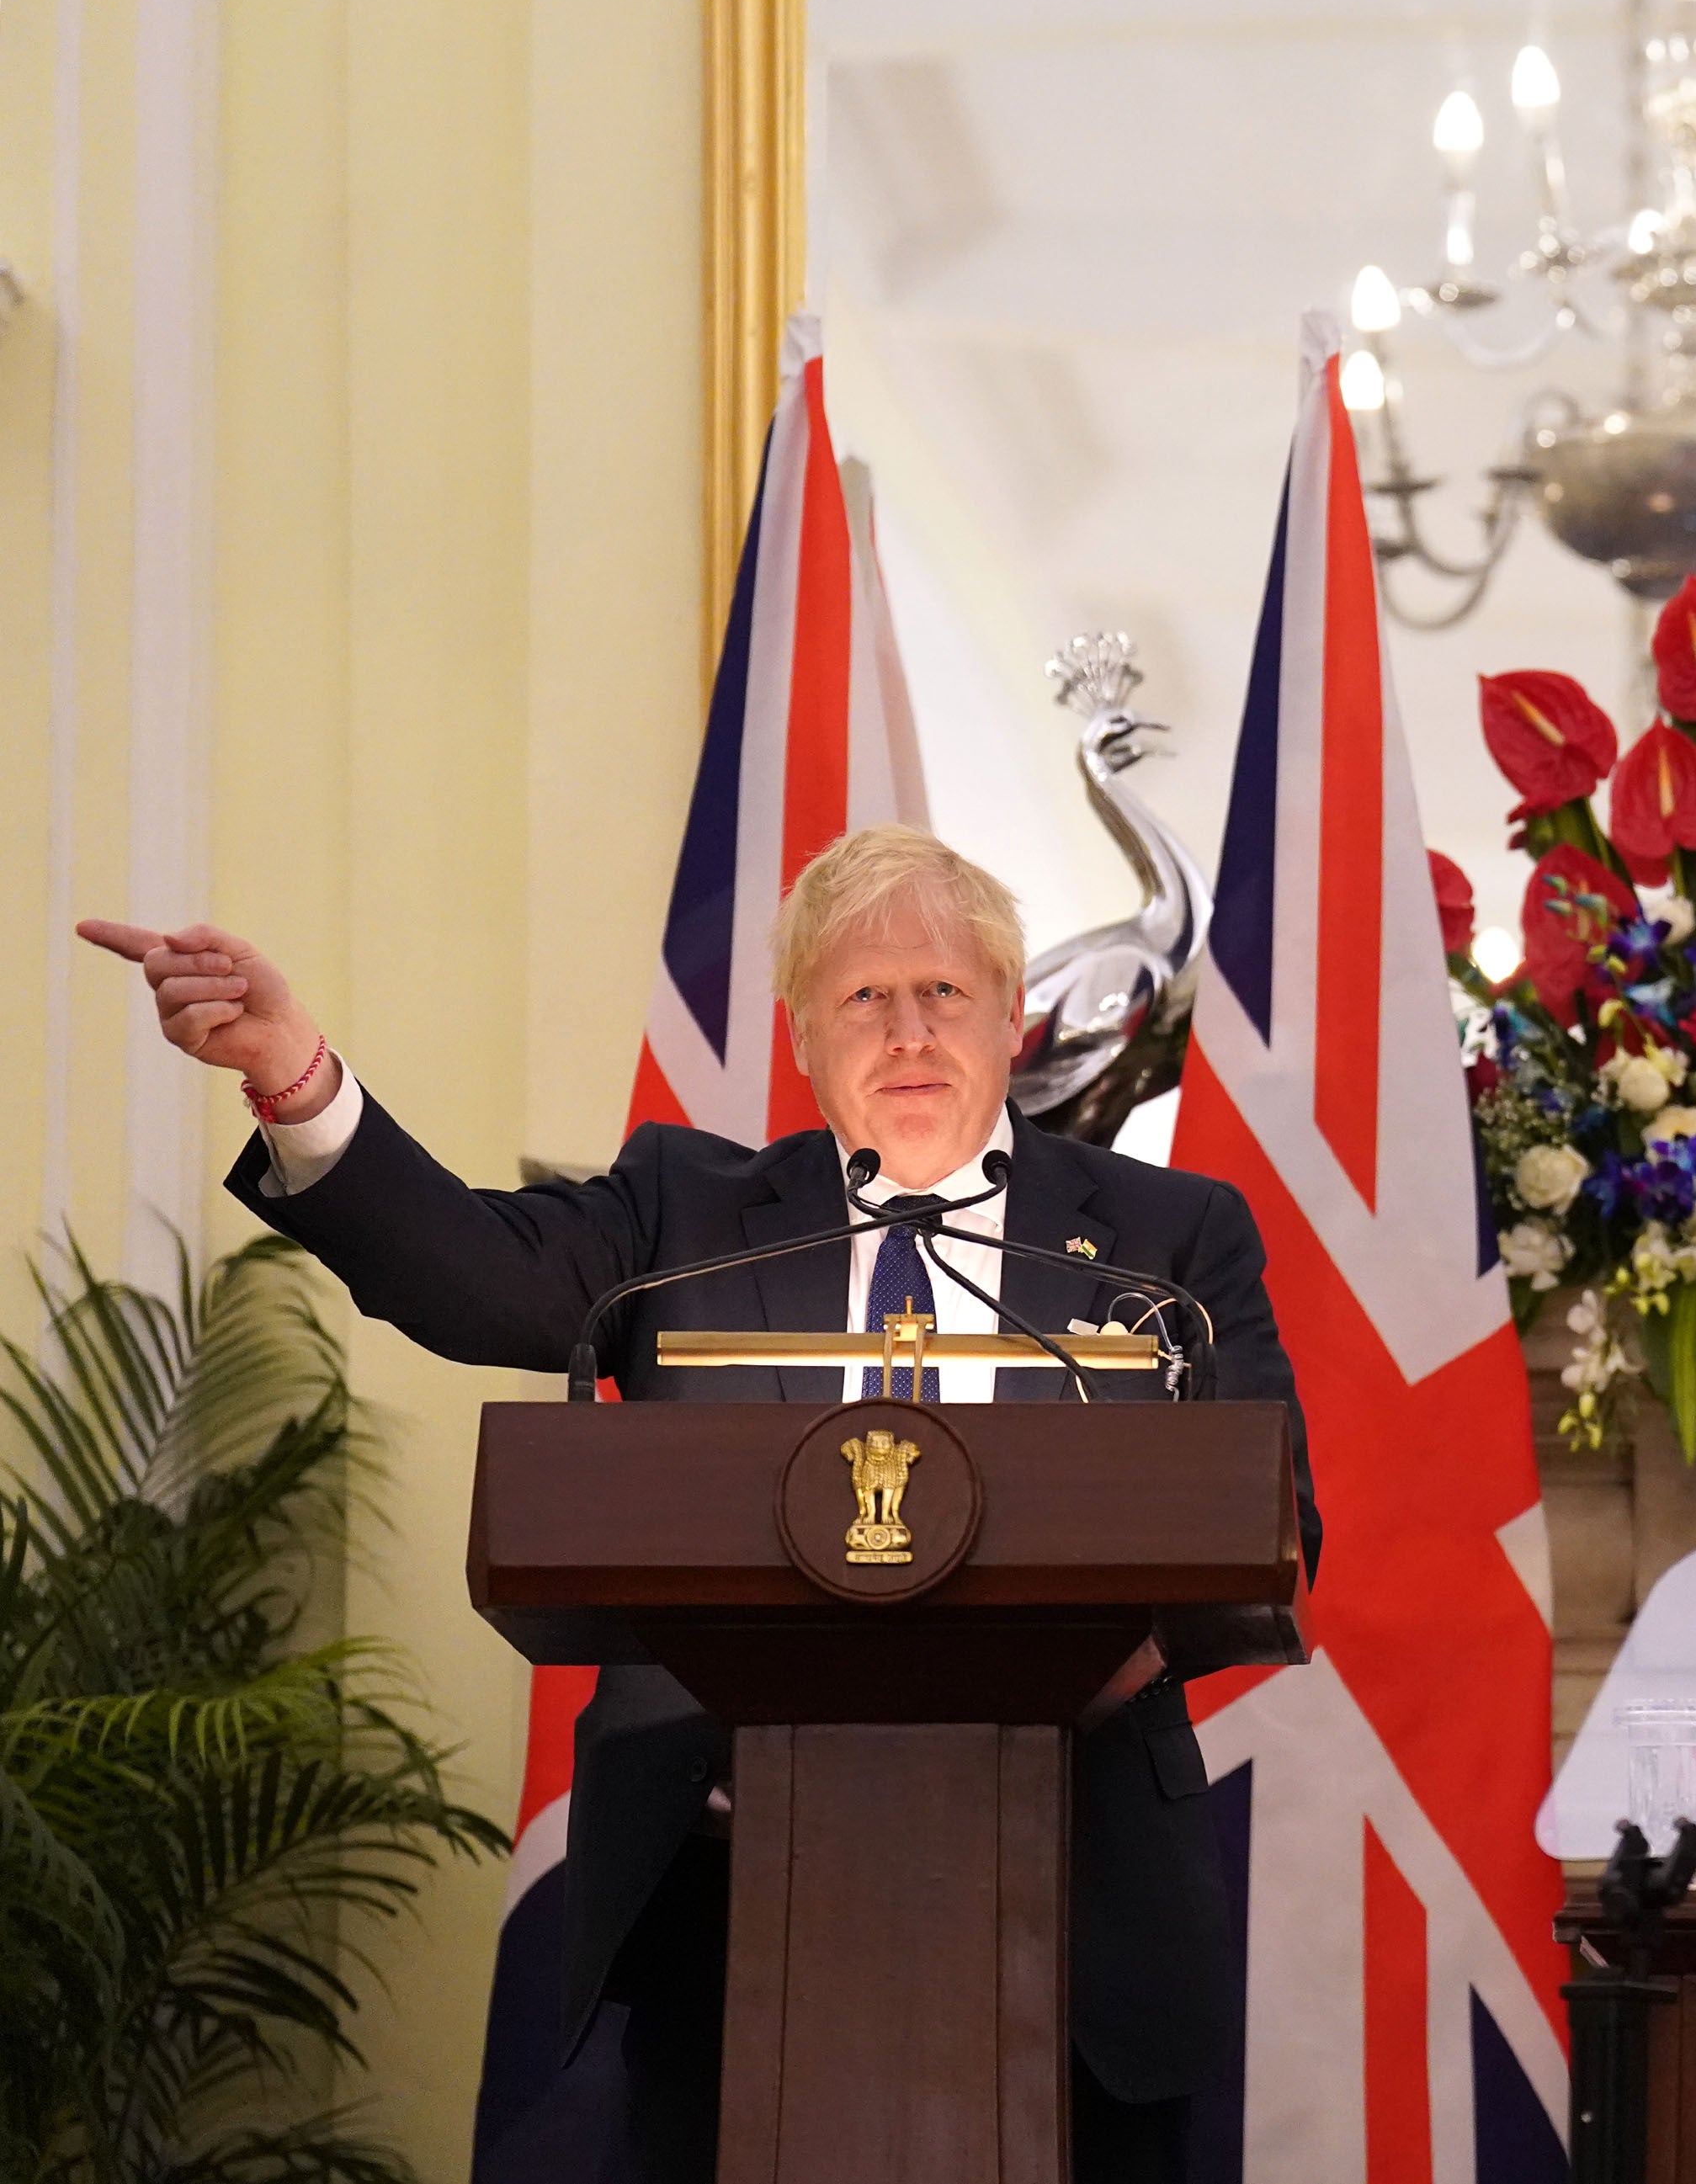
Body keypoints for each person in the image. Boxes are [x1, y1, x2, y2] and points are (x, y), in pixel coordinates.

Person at [80, 824, 1308, 2184]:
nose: (907, 1028)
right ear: (800, 1036)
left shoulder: (1170, 1238)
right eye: (863, 996)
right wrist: (293, 1072)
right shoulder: (686, 1209)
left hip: (1081, 1902)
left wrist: (1092, 1647)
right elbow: (478, 1279)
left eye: (944, 991)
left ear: (1014, 1018)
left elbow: (1270, 1521)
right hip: (729, 1899)